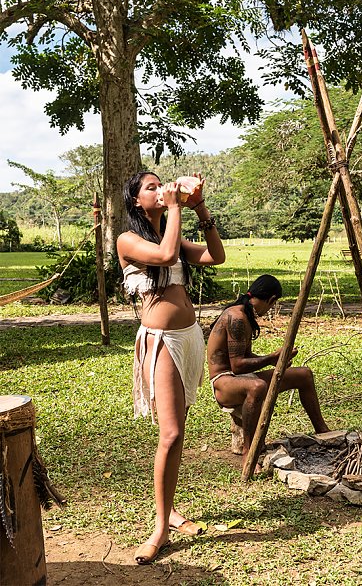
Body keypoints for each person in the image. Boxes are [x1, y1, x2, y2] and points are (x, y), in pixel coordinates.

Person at [117, 171, 225, 564]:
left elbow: (216, 256)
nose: (160, 189)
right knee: (171, 433)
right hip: (160, 343)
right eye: (151, 187)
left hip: (189, 338)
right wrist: (177, 205)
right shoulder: (128, 240)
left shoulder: (172, 234)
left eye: (160, 184)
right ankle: (161, 528)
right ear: (134, 202)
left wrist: (199, 207)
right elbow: (164, 257)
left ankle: (170, 511)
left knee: (177, 434)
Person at [207, 274, 330, 474]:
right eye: (273, 305)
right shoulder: (236, 317)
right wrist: (272, 358)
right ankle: (249, 451)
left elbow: (244, 357)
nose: (270, 310)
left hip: (239, 379)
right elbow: (237, 366)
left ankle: (323, 431)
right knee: (257, 387)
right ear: (271, 300)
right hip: (223, 382)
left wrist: (274, 360)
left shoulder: (244, 314)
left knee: (304, 374)